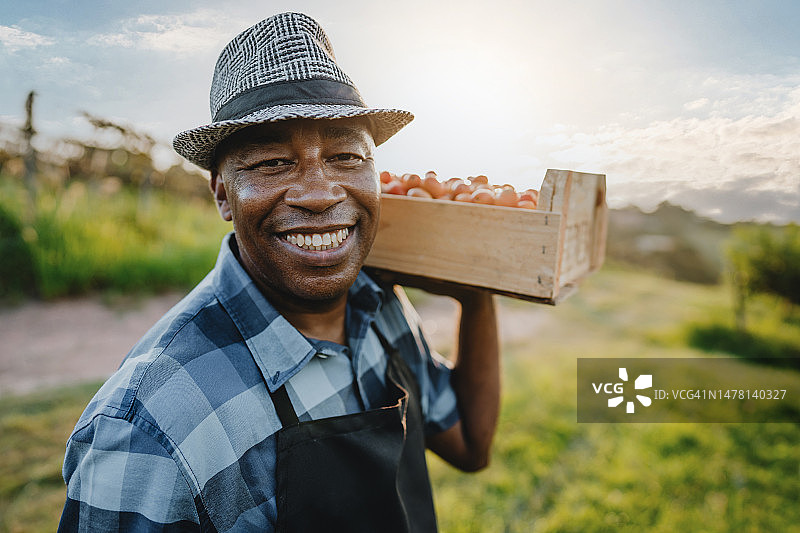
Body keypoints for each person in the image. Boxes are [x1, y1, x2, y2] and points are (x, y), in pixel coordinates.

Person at [59, 12, 499, 532]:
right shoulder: (149, 428)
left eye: (344, 155)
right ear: (222, 193)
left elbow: (470, 444)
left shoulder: (378, 305)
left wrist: (475, 292)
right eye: (271, 163)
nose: (320, 193)